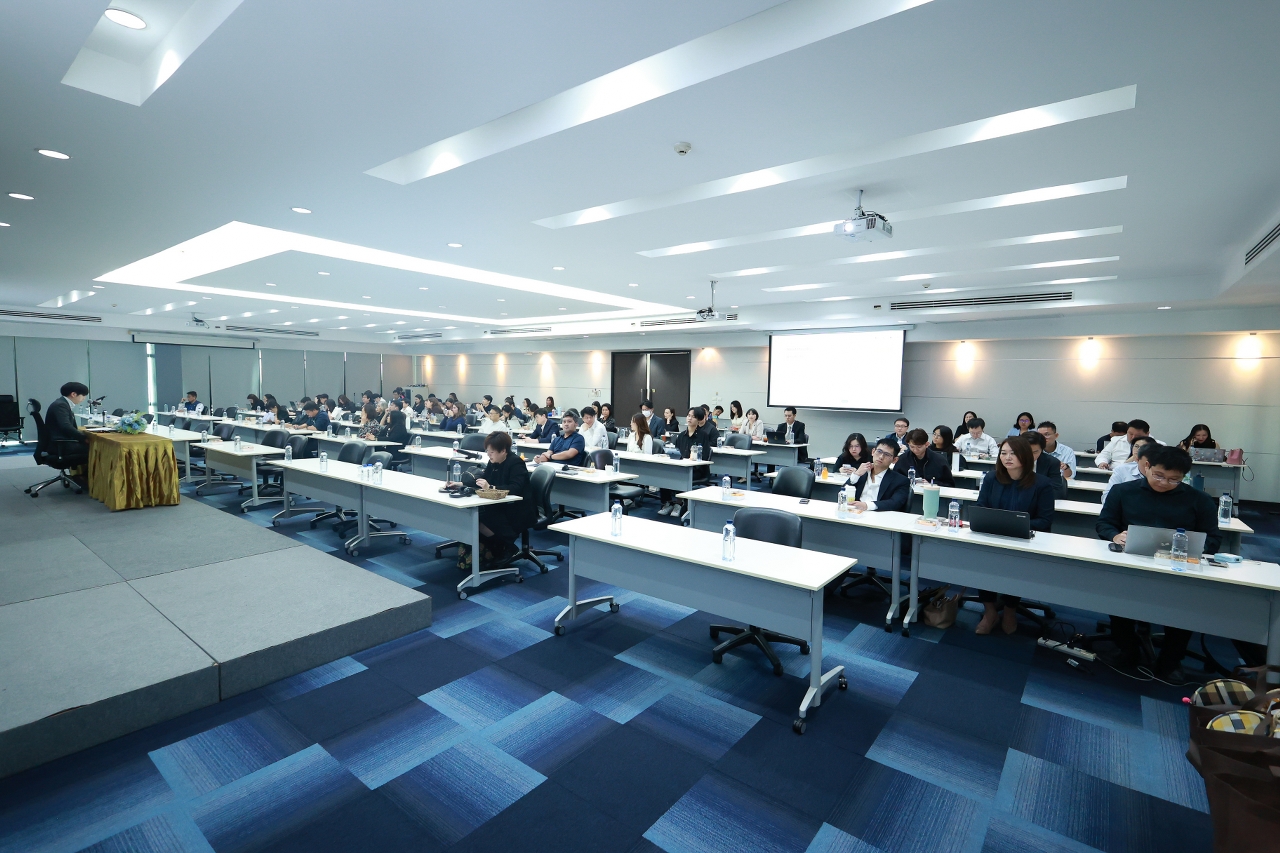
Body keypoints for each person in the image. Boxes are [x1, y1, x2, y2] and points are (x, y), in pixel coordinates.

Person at [1096, 446, 1220, 682]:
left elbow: (1213, 539)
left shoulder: (1199, 500)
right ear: (1147, 466)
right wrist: (1115, 535)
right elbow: (1104, 523)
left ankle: (1171, 660)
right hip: (1130, 563)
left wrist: (1193, 547)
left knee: (1182, 609)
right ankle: (1127, 649)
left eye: (1174, 480)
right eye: (1159, 475)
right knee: (1117, 598)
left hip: (1177, 567)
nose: (1164, 483)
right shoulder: (1123, 491)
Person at [973, 437, 1056, 635]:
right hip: (993, 536)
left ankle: (1010, 610)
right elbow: (981, 506)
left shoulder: (1042, 484)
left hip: (1024, 540)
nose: (1007, 458)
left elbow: (1045, 520)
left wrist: (1017, 525)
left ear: (1025, 456)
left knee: (1017, 568)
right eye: (1003, 453)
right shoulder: (992, 478)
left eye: (1013, 453)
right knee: (981, 562)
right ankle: (990, 611)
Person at [451, 432, 535, 569]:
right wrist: (460, 484)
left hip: (518, 507)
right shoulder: (493, 462)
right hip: (500, 503)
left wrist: (490, 487)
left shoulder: (516, 463)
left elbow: (516, 488)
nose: (489, 455)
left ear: (503, 451)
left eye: (492, 452)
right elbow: (483, 480)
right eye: (487, 451)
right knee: (476, 516)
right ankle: (498, 546)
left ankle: (508, 546)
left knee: (483, 516)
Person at [659, 408, 717, 516]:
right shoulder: (681, 435)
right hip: (681, 466)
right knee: (665, 474)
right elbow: (676, 453)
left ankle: (679, 503)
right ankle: (668, 502)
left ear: (699, 420)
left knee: (681, 475)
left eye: (693, 416)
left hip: (697, 469)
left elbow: (704, 456)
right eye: (688, 415)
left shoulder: (703, 435)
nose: (690, 418)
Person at [848, 438, 910, 512]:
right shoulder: (862, 473)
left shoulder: (901, 481)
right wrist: (856, 474)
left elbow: (895, 503)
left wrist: (867, 506)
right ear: (873, 452)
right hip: (855, 513)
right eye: (879, 451)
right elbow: (842, 493)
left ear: (894, 460)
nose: (881, 457)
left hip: (880, 515)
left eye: (887, 454)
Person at [1101, 436, 1157, 502]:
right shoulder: (1122, 470)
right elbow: (1107, 497)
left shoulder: (1158, 471)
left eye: (1143, 447)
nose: (1138, 450)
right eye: (1136, 446)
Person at [46, 381, 90, 464]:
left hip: (61, 442)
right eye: (83, 395)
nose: (84, 398)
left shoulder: (62, 403)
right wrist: (83, 438)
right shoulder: (61, 405)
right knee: (97, 449)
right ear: (73, 394)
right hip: (61, 445)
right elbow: (65, 426)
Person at [1023, 431, 1067, 499]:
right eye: (1026, 451)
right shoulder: (1011, 461)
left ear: (1042, 450)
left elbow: (1056, 490)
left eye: (1035, 452)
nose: (1030, 456)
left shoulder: (1051, 462)